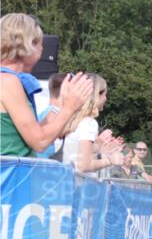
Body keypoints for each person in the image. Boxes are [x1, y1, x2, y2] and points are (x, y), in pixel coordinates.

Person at [1, 13, 93, 157]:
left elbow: (36, 132)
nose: (42, 49)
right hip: (10, 178)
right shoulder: (8, 82)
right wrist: (70, 107)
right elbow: (40, 142)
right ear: (29, 43)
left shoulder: (8, 80)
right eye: (40, 42)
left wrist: (60, 104)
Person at [59, 73, 126, 175]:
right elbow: (83, 166)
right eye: (105, 95)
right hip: (77, 185)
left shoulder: (69, 119)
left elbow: (75, 153)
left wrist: (98, 146)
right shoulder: (89, 123)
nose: (106, 99)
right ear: (97, 95)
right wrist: (110, 160)